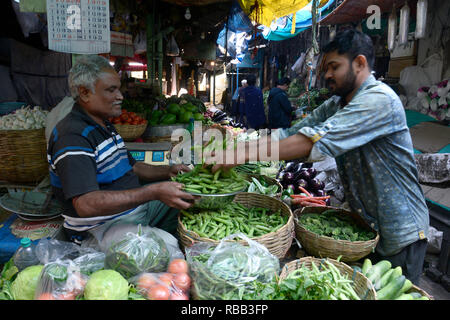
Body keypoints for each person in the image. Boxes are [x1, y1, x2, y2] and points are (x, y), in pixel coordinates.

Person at [207, 29, 429, 285]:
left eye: (334, 67)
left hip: (400, 231)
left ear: (359, 63)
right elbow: (292, 132)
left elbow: (312, 142)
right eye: (326, 68)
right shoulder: (337, 104)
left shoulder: (378, 100)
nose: (327, 75)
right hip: (369, 227)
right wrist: (239, 149)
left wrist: (239, 156)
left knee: (392, 290)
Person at [47, 55, 196, 245]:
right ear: (84, 93)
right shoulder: (72, 136)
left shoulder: (103, 125)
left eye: (118, 88)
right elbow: (86, 204)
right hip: (102, 228)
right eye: (111, 90)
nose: (120, 96)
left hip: (133, 211)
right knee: (170, 246)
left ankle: (156, 238)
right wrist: (153, 192)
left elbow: (133, 168)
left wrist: (168, 171)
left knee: (189, 201)